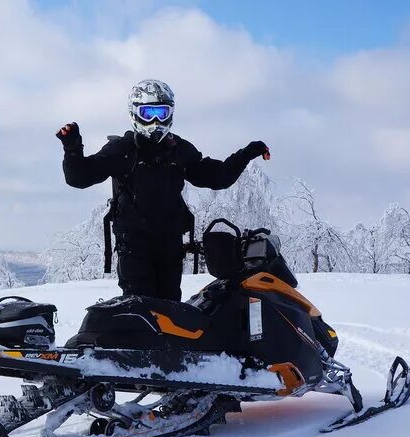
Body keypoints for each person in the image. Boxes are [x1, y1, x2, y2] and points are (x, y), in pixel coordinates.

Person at [57, 79, 270, 302]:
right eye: (148, 113)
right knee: (141, 309)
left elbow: (218, 177)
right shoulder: (123, 150)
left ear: (170, 113)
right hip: (134, 246)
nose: (156, 120)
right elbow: (80, 177)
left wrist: (246, 153)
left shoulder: (178, 150)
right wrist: (72, 149)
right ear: (135, 113)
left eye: (161, 112)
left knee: (171, 309)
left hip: (170, 244)